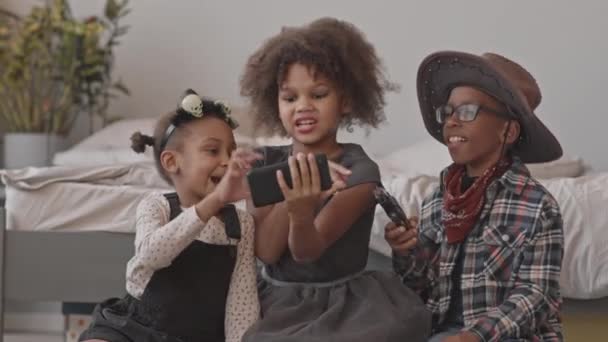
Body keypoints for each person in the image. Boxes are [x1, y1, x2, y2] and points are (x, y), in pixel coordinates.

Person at [386, 51, 564, 341]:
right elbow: (420, 287)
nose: (451, 122)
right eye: (447, 112)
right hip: (442, 333)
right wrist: (406, 251)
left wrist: (475, 336)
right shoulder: (436, 199)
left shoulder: (537, 206)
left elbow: (536, 295)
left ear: (507, 131)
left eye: (467, 111)